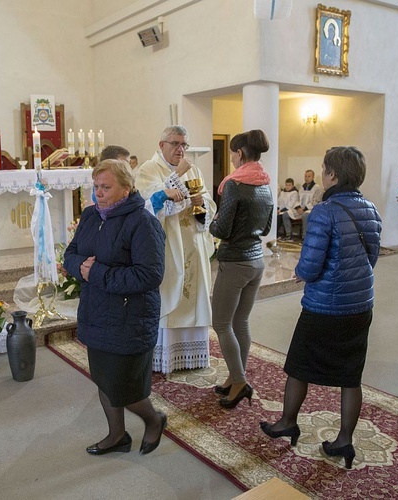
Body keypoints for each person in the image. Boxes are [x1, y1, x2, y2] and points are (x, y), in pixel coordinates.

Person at [260, 146, 382, 470]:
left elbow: (311, 267)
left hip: (325, 306)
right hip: (360, 305)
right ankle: (344, 440)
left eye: (325, 169)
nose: (323, 174)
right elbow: (371, 259)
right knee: (350, 375)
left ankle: (287, 421)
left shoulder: (325, 211)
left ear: (333, 175)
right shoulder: (370, 209)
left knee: (299, 365)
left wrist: (299, 273)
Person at [63, 159, 167, 456]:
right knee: (104, 380)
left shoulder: (143, 222)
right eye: (96, 187)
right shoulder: (90, 216)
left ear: (126, 188)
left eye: (106, 187)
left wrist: (96, 273)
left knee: (126, 388)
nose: (99, 193)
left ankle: (154, 419)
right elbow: (71, 254)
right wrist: (81, 266)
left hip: (129, 317)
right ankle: (117, 435)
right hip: (97, 312)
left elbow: (150, 275)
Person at [135, 125, 217, 373]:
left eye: (184, 145)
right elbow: (149, 206)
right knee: (170, 293)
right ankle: (165, 357)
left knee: (194, 297)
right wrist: (178, 175)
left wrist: (201, 205)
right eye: (175, 144)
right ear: (162, 145)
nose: (181, 150)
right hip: (168, 243)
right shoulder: (148, 170)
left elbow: (207, 207)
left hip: (193, 242)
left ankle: (193, 356)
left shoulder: (195, 171)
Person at [209, 130, 274, 409]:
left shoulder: (234, 184)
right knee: (241, 322)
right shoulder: (265, 184)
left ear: (240, 154)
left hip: (235, 261)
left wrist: (207, 218)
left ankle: (239, 381)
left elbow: (221, 228)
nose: (233, 159)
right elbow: (267, 228)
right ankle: (234, 378)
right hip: (257, 260)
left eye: (234, 153)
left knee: (222, 323)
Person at [297, 169, 324, 238]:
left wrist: (305, 208)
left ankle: (305, 236)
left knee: (305, 215)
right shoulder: (302, 188)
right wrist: (298, 208)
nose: (306, 178)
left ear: (313, 177)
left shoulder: (317, 188)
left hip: (311, 209)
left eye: (309, 176)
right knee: (286, 214)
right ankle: (289, 235)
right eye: (305, 176)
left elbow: (316, 201)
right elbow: (297, 199)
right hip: (301, 209)